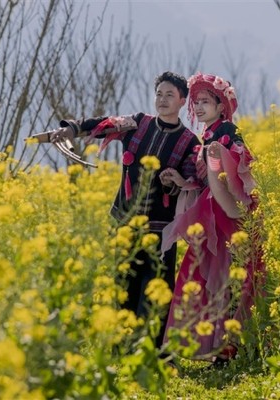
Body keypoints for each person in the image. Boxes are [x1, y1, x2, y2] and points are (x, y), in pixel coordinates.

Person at [51, 71, 201, 350]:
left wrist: (174, 183)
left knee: (157, 294)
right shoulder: (137, 124)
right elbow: (103, 125)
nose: (163, 99)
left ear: (182, 100)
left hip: (161, 232)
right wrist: (70, 129)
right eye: (159, 94)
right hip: (123, 225)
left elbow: (191, 182)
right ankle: (120, 348)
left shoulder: (190, 142)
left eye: (170, 95)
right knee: (123, 288)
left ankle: (153, 353)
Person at [158, 72, 265, 367]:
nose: (200, 107)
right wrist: (181, 179)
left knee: (228, 279)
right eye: (197, 102)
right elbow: (205, 181)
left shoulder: (228, 131)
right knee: (202, 278)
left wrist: (219, 156)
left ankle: (226, 349)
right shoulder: (208, 136)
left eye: (206, 102)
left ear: (221, 106)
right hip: (209, 216)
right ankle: (197, 347)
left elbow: (242, 173)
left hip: (227, 219)